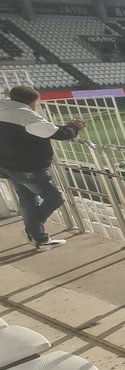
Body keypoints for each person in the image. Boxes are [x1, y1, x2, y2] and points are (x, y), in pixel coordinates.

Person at [0, 85, 87, 249]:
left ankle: (39, 238)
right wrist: (75, 127)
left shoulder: (4, 108)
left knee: (28, 201)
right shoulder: (25, 115)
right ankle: (33, 231)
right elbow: (60, 134)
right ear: (33, 101)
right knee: (55, 198)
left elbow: (42, 129)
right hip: (28, 168)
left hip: (8, 166)